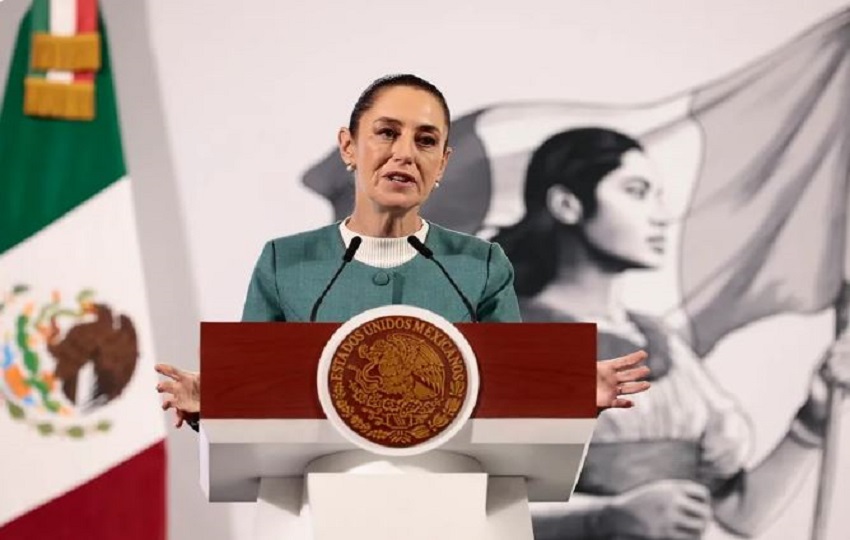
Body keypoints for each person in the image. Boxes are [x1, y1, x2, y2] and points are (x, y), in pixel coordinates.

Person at [155, 75, 652, 431]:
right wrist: (211, 404)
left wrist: (570, 396)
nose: (405, 153)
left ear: (441, 164)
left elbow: (507, 394)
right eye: (387, 133)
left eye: (426, 140)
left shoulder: (480, 265)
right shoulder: (287, 263)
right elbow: (255, 397)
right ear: (349, 147)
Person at [491, 127, 850, 539]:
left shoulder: (664, 343)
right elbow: (480, 516)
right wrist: (603, 518)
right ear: (567, 204)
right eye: (637, 191)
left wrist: (813, 418)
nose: (660, 215)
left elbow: (739, 513)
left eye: (659, 195)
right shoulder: (520, 336)